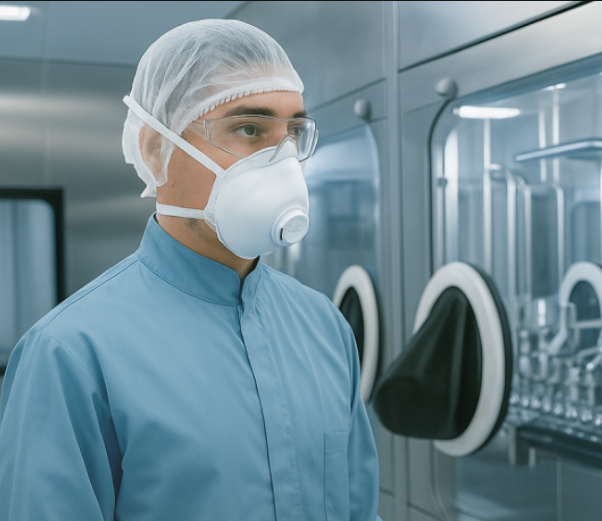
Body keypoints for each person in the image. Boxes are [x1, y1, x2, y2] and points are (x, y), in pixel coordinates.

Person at [0, 19, 380, 521]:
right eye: (249, 128)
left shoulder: (324, 328)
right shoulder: (70, 354)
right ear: (156, 148)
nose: (283, 158)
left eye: (292, 133)